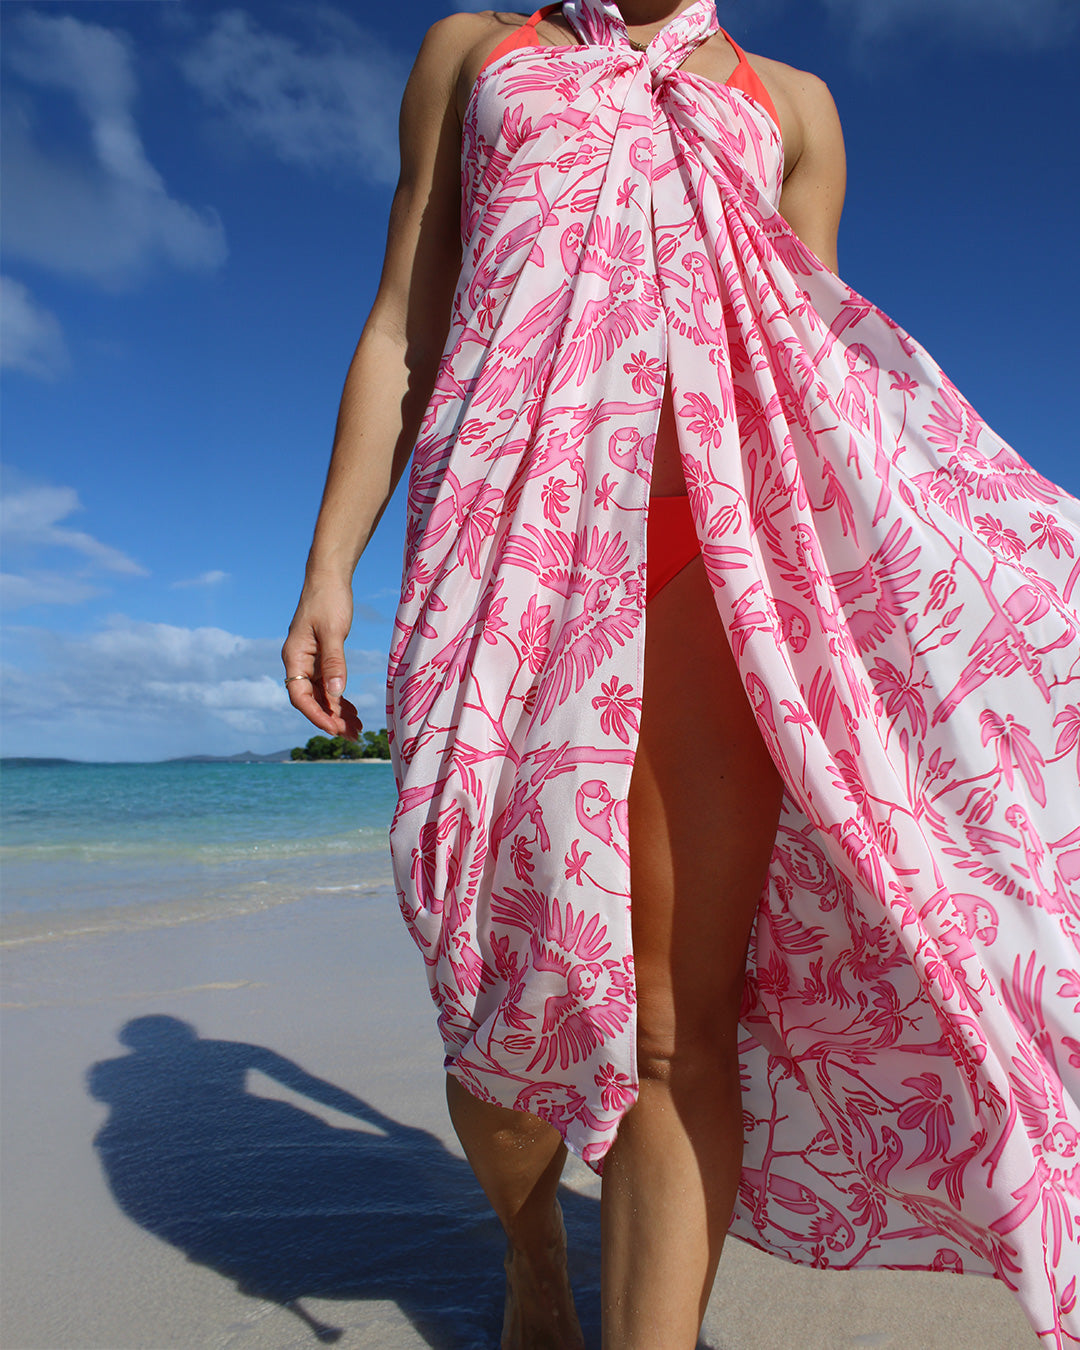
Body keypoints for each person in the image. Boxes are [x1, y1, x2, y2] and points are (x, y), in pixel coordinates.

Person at [283, 3, 1080, 1346]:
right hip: (510, 548)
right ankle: (532, 1240)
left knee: (669, 1024)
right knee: (498, 987)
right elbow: (402, 332)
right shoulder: (479, 56)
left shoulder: (797, 104)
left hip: (710, 565)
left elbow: (810, 373)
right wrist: (329, 567)